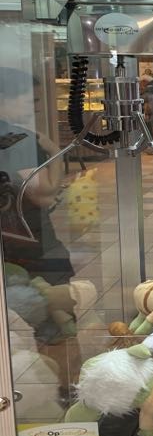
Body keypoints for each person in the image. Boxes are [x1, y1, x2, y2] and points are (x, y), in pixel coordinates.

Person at [0, 67, 73, 285]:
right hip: (29, 245)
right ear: (4, 98)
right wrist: (55, 152)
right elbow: (45, 194)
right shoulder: (17, 139)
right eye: (30, 101)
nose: (36, 108)